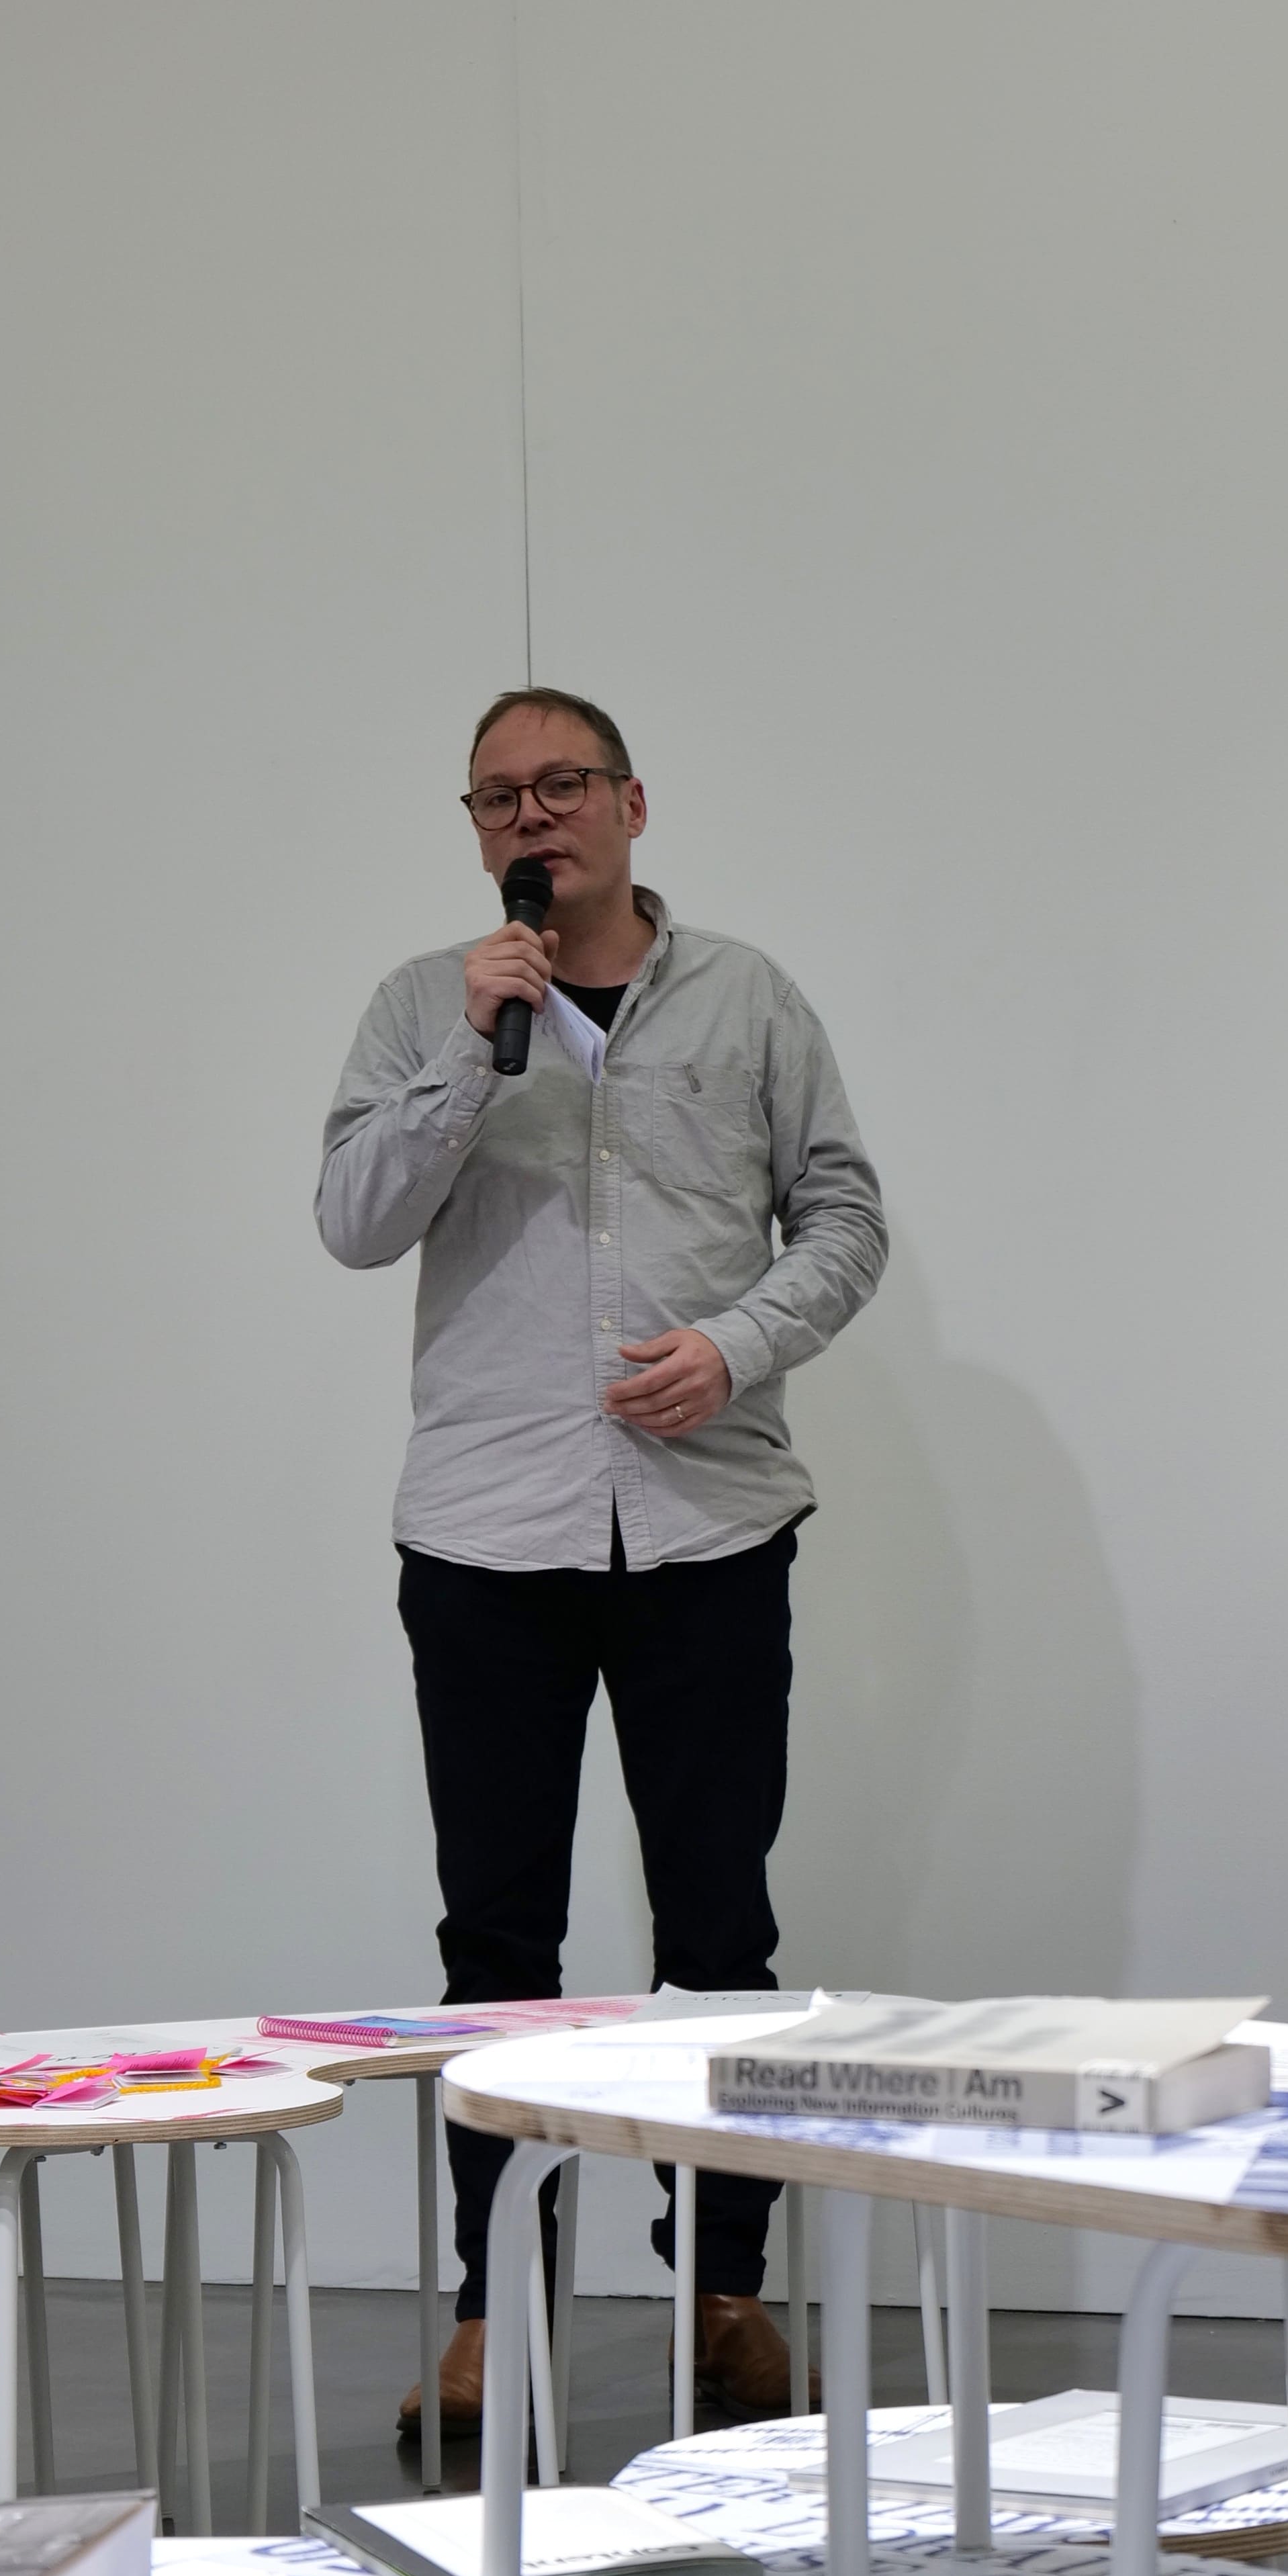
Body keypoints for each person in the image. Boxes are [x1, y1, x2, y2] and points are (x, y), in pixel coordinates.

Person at [318, 689, 887, 2436]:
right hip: (488, 1534)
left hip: (708, 1519)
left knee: (721, 1932)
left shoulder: (749, 996)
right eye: (497, 797)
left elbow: (847, 1214)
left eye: (561, 786)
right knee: (500, 1945)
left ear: (633, 804)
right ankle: (501, 2315)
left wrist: (739, 1343)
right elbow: (351, 1222)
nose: (531, 818)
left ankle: (723, 2294)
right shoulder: (433, 1004)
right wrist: (458, 1064)